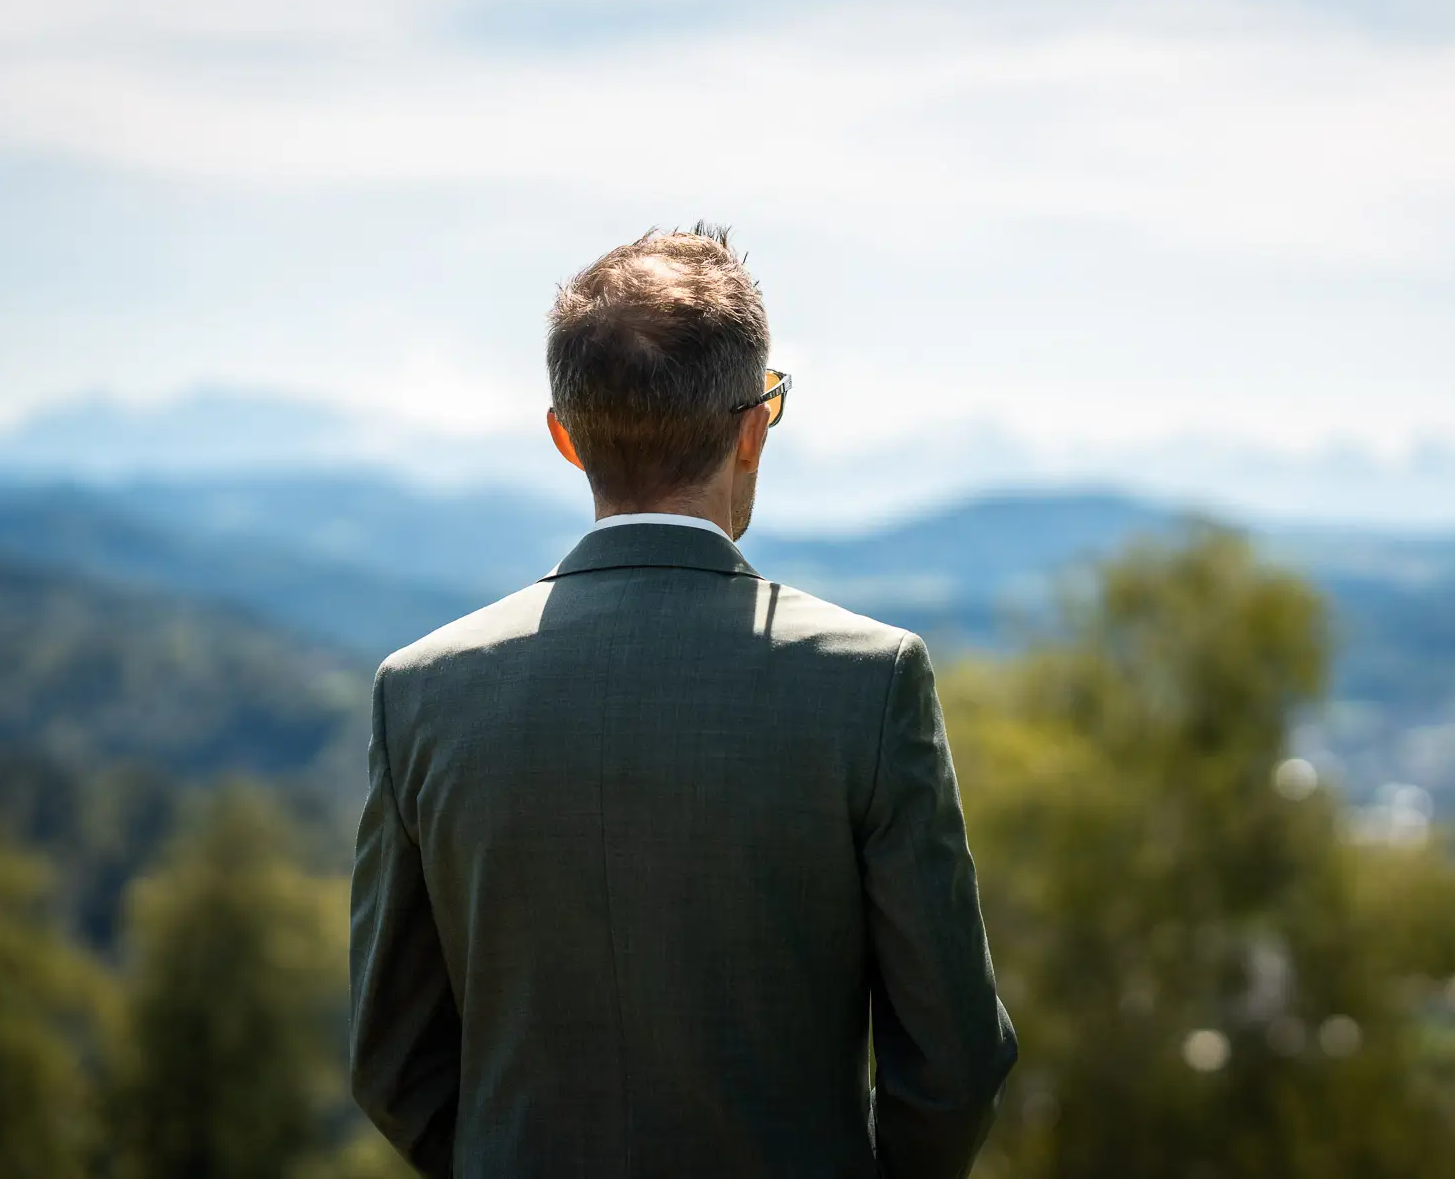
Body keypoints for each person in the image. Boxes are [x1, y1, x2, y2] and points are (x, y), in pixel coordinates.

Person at [349, 224, 1017, 1177]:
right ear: (753, 427)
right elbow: (953, 1064)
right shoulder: (870, 682)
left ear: (565, 436)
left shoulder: (419, 695)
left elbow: (390, 1061)